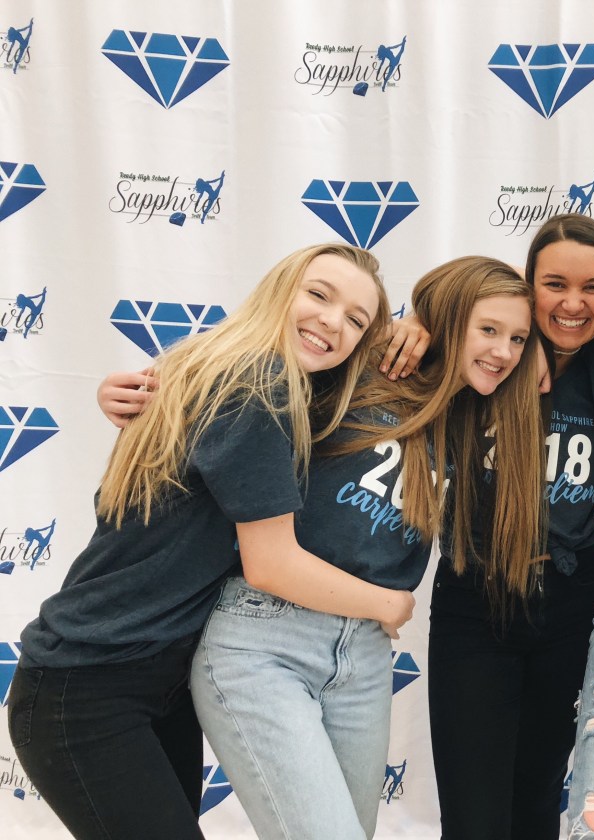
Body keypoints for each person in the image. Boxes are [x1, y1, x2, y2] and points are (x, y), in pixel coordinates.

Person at [96, 256, 546, 839]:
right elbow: (252, 371)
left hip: (363, 656)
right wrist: (137, 391)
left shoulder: (468, 414)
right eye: (488, 330)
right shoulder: (362, 376)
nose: (504, 351)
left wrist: (537, 351)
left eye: (517, 338)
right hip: (266, 636)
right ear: (446, 322)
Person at [7, 243, 393, 840]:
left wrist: (414, 330)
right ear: (279, 291)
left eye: (357, 320)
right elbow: (271, 564)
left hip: (159, 678)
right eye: (319, 294)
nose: (332, 320)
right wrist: (388, 603)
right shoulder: (258, 389)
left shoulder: (217, 370)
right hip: (88, 687)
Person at [425, 215, 594, 840]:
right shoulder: (487, 355)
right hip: (476, 598)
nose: (573, 303)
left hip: (574, 601)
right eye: (554, 284)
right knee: (473, 818)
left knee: (537, 803)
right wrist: (412, 326)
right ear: (527, 284)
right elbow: (441, 304)